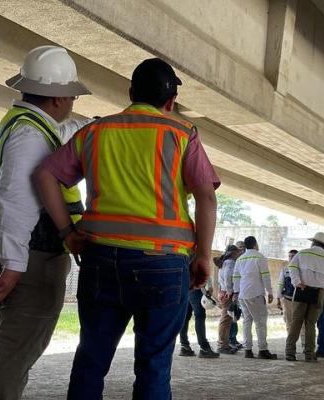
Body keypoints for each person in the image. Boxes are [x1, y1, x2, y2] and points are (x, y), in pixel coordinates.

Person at [33, 57, 219, 399]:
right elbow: (206, 197)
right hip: (163, 265)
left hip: (100, 260)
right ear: (171, 102)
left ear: (131, 93)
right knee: (153, 367)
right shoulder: (182, 134)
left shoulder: (96, 131)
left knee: (91, 360)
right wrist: (204, 256)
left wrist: (67, 232)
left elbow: (45, 174)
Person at [0, 45, 91, 400]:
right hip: (30, 257)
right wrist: (13, 267)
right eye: (71, 95)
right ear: (57, 98)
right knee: (14, 355)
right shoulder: (30, 136)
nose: (73, 102)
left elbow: (71, 128)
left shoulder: (27, 125)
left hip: (16, 253)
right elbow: (17, 203)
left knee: (5, 350)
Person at [284, 232, 324, 362]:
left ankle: (290, 353)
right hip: (318, 293)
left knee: (296, 322)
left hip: (301, 290)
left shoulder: (302, 253)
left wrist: (297, 282)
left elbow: (291, 267)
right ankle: (309, 355)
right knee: (311, 324)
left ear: (313, 242)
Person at [231, 236, 277, 359]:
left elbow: (236, 277)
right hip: (255, 294)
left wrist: (236, 292)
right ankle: (262, 350)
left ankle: (248, 350)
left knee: (247, 321)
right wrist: (270, 292)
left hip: (243, 294)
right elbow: (265, 276)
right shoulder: (260, 257)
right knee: (260, 322)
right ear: (255, 244)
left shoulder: (240, 259)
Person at [178, 274, 220, 358]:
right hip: (196, 288)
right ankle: (204, 348)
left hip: (184, 287)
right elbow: (204, 270)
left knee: (185, 317)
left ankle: (184, 346)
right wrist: (210, 286)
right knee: (200, 317)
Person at [216, 245, 241, 354]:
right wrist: (230, 291)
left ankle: (224, 344)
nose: (239, 254)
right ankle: (222, 345)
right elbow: (228, 277)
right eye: (237, 252)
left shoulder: (224, 263)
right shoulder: (230, 263)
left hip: (224, 292)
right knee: (226, 319)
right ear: (233, 253)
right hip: (228, 294)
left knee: (226, 319)